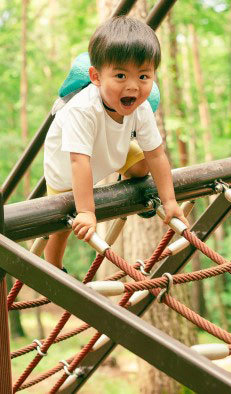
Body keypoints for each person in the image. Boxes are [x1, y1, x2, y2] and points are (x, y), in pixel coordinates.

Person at [42, 16, 188, 269]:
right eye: (120, 75)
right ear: (96, 76)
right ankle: (53, 266)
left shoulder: (139, 107)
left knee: (143, 165)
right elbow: (78, 161)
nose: (133, 86)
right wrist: (87, 212)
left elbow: (156, 155)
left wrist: (170, 201)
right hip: (68, 169)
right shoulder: (82, 110)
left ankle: (129, 182)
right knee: (61, 226)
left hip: (106, 151)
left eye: (143, 76)